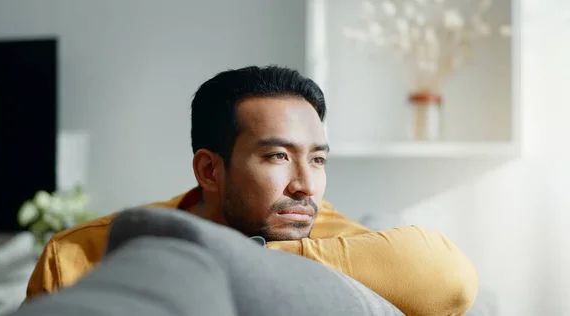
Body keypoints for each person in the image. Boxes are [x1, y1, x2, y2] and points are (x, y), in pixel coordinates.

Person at [24, 66, 478, 315]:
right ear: (209, 169)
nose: (304, 185)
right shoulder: (78, 254)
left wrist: (235, 260)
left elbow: (450, 280)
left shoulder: (324, 233)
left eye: (317, 159)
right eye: (278, 156)